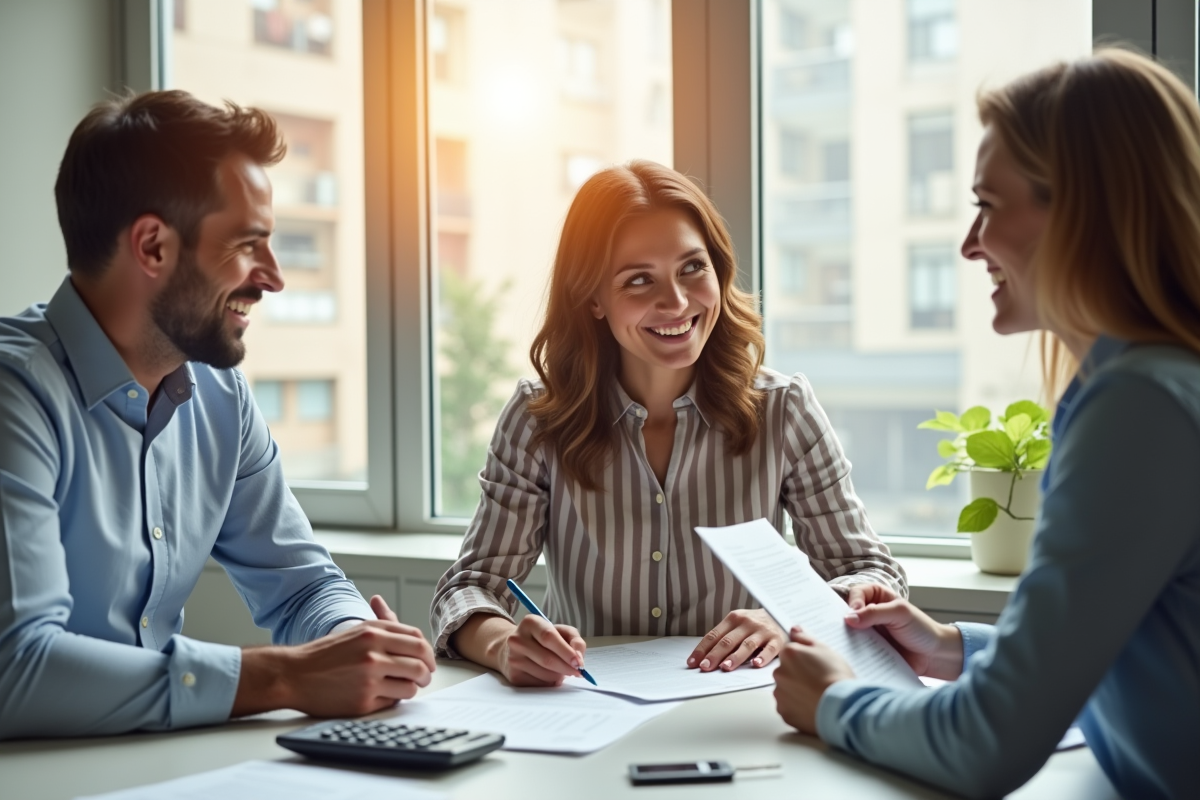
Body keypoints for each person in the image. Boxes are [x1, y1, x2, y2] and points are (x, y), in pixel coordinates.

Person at [771, 49, 1200, 799]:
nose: (971, 243)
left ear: (1080, 214)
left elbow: (988, 745)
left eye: (989, 206)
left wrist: (835, 702)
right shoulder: (1154, 384)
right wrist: (949, 647)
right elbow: (1125, 636)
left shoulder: (1140, 409)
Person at [0, 91, 435, 740]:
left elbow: (302, 585)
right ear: (152, 247)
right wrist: (283, 678)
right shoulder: (16, 396)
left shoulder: (217, 395)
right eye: (248, 244)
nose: (274, 278)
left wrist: (354, 644)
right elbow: (17, 670)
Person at [431, 160, 906, 687]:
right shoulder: (538, 419)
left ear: (718, 271)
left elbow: (872, 575)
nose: (676, 302)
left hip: (744, 706)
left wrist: (788, 618)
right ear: (592, 297)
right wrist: (503, 645)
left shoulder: (784, 409)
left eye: (692, 269)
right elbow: (469, 587)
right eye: (638, 280)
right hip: (591, 708)